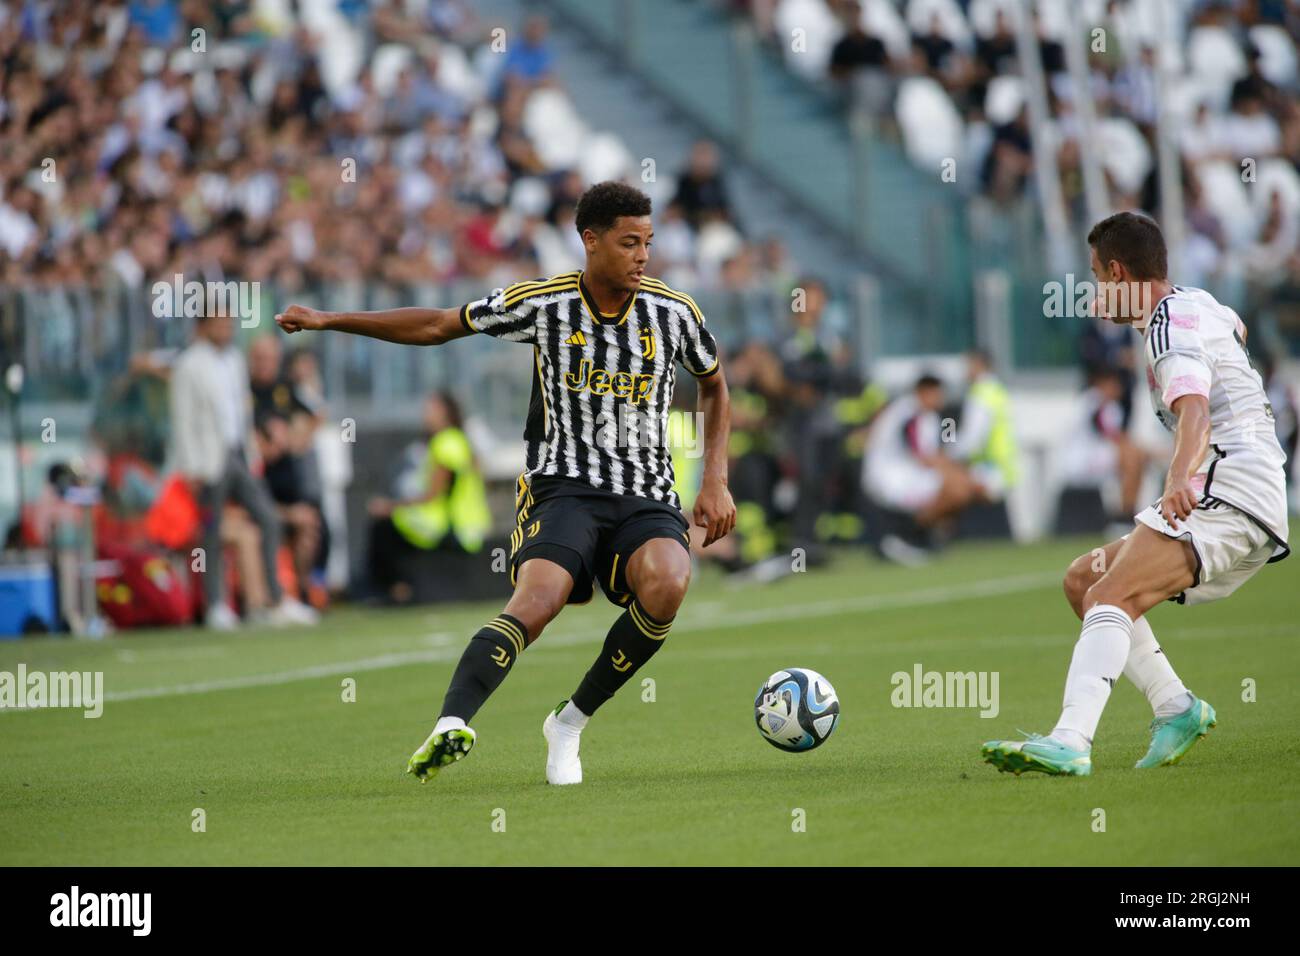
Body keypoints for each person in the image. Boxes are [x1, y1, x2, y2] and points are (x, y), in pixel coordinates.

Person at [276, 181, 736, 785]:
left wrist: (714, 479)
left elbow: (714, 384)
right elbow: (437, 324)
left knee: (670, 580)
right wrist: (329, 319)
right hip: (563, 488)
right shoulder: (543, 303)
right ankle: (451, 724)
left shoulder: (674, 313)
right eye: (629, 243)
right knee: (537, 601)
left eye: (648, 242)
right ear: (590, 240)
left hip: (645, 492)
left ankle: (569, 722)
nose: (643, 256)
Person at [983, 212, 1290, 776]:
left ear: (1119, 273)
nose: (1096, 292)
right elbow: (1237, 328)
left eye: (1097, 277)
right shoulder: (1197, 303)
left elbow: (1195, 411)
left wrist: (1177, 480)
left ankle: (1071, 740)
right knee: (1084, 581)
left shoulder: (1168, 324)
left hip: (1228, 488)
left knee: (1110, 596)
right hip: (1247, 486)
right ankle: (1177, 707)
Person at [169, 311, 319, 630]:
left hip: (238, 452)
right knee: (211, 531)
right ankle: (216, 605)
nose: (226, 328)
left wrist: (252, 452)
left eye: (229, 323)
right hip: (209, 459)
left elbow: (242, 412)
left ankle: (276, 598)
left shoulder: (235, 360)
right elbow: (183, 420)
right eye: (219, 323)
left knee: (268, 517)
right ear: (203, 326)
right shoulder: (189, 364)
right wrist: (191, 467)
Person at [367, 391, 492, 603]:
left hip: (453, 526)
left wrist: (390, 506)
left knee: (383, 526)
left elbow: (432, 495)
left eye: (430, 410)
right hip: (471, 525)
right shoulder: (459, 440)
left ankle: (397, 591)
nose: (425, 416)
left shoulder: (446, 443)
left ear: (445, 412)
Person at [863, 374, 980, 562]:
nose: (941, 399)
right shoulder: (909, 413)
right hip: (891, 478)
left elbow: (944, 449)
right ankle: (908, 536)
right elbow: (922, 457)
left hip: (908, 474)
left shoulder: (934, 417)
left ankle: (925, 535)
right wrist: (956, 473)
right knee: (958, 488)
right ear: (923, 392)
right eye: (936, 394)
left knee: (962, 485)